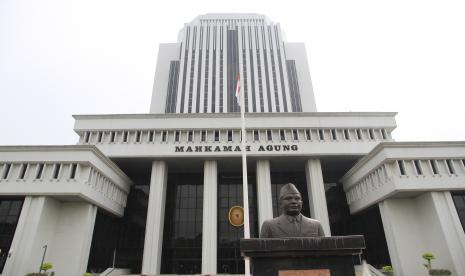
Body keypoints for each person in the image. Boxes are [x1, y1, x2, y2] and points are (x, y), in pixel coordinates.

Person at [260, 183, 325, 238]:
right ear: (280, 203)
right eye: (288, 198)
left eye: (297, 198)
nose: (293, 201)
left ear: (301, 203)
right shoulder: (269, 225)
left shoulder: (316, 225)